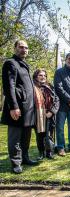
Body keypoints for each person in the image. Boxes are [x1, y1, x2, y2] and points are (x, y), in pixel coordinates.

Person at [1, 40, 37, 173]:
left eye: (26, 48)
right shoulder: (10, 63)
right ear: (15, 48)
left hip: (28, 108)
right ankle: (16, 163)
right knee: (15, 137)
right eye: (21, 47)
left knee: (26, 136)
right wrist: (13, 107)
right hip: (17, 107)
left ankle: (25, 157)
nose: (24, 50)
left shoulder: (24, 64)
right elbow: (9, 87)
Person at [33, 69, 59, 160]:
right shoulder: (33, 87)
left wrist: (51, 112)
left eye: (44, 75)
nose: (43, 77)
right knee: (40, 135)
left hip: (49, 114)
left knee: (49, 135)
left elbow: (56, 100)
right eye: (40, 75)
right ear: (36, 76)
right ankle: (41, 153)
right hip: (37, 114)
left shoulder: (50, 86)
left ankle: (49, 152)